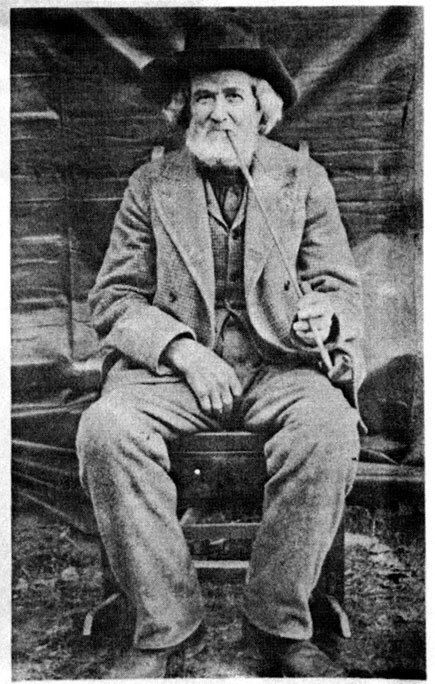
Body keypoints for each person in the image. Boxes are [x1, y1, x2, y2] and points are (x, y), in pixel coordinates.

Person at [76, 14, 365, 679]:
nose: (217, 111)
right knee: (106, 429)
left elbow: (338, 288)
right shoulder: (151, 184)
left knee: (326, 425)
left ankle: (278, 624)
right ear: (184, 109)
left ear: (260, 108)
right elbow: (112, 300)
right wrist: (183, 351)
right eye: (202, 97)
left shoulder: (302, 180)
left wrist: (322, 318)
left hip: (276, 368)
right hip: (174, 378)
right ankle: (163, 626)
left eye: (232, 95)